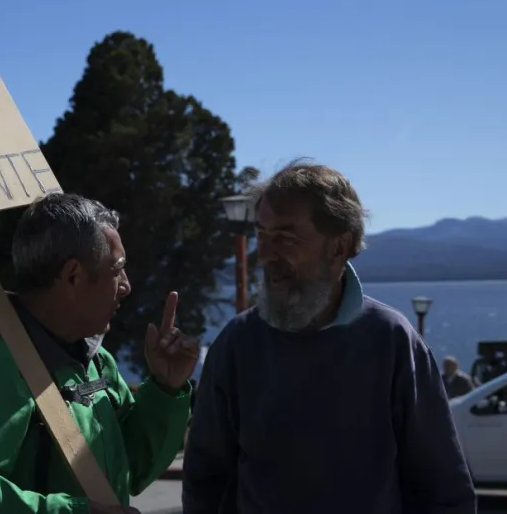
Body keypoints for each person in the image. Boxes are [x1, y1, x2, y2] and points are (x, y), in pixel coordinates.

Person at [183, 160, 477, 514]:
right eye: (261, 235)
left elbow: (444, 490)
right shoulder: (237, 344)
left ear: (339, 247)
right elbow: (206, 481)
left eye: (286, 236)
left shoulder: (391, 341)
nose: (265, 255)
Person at [0, 192, 199, 514]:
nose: (126, 285)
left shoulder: (97, 361)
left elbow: (132, 468)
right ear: (73, 275)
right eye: (117, 268)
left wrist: (164, 389)